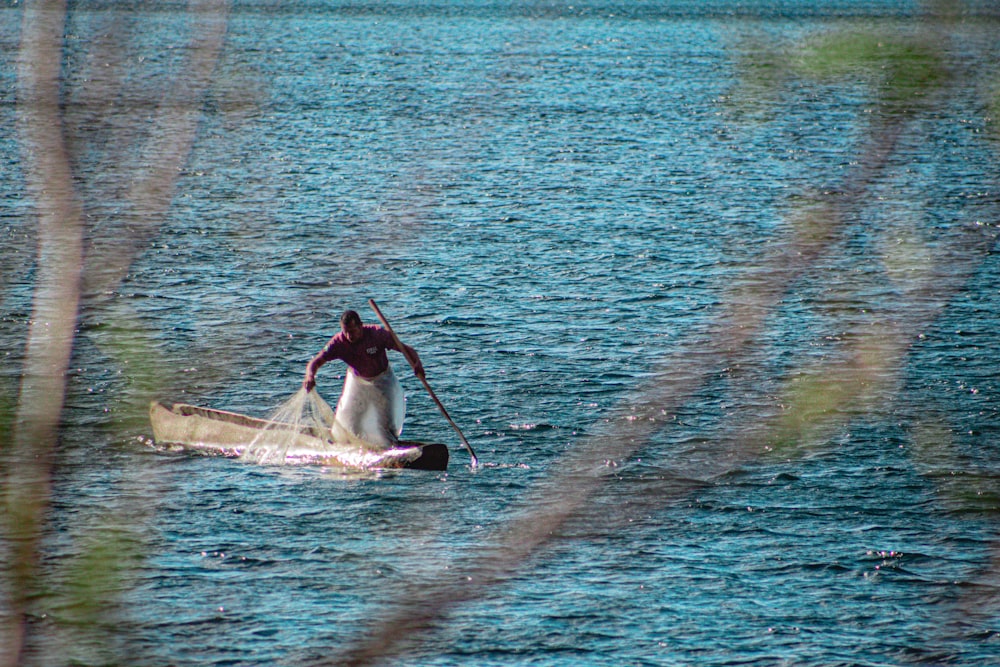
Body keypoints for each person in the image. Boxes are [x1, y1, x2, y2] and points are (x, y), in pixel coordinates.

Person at [303, 309, 425, 449]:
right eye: (345, 331)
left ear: (360, 326)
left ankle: (390, 448)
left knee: (385, 422)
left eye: (352, 331)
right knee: (350, 422)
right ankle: (350, 446)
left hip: (382, 381)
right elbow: (315, 362)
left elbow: (405, 349)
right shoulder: (338, 343)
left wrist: (417, 363)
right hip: (357, 383)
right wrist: (310, 376)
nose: (349, 335)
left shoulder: (377, 334)